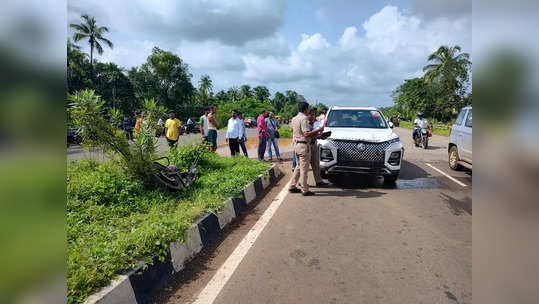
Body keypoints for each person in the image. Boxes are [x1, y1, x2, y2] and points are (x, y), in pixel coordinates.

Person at [289, 102, 323, 196]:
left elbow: (292, 130)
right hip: (304, 145)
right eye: (308, 109)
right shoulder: (304, 118)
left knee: (299, 167)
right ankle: (304, 189)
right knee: (304, 169)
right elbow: (306, 134)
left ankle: (292, 186)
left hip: (296, 145)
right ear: (305, 109)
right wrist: (319, 130)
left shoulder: (294, 118)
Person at [307, 109, 327, 186]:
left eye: (314, 115)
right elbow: (307, 135)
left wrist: (320, 136)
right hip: (307, 146)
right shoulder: (305, 123)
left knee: (316, 164)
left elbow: (313, 135)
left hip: (314, 144)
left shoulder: (315, 123)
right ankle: (301, 183)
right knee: (304, 166)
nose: (313, 116)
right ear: (307, 115)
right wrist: (318, 130)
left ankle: (318, 181)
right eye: (311, 115)